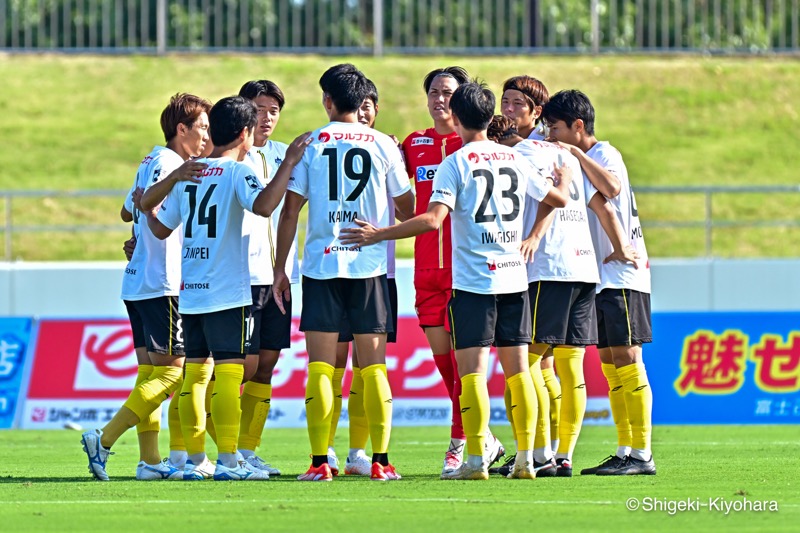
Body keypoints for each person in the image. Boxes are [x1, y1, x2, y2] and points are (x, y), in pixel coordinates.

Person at [342, 81, 572, 480]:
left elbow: (432, 220)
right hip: (514, 281)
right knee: (519, 373)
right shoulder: (514, 157)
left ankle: (475, 460)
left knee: (472, 376)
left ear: (460, 117)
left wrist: (378, 234)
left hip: (474, 284)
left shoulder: (458, 161)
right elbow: (558, 200)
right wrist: (562, 182)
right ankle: (525, 458)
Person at [143, 95, 311, 481]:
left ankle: (195, 460)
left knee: (196, 377)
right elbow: (266, 206)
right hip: (227, 292)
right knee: (230, 376)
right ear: (244, 133)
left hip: (192, 291)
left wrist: (147, 207)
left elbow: (159, 228)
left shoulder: (190, 173)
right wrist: (287, 163)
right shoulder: (238, 171)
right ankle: (231, 460)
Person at [271, 64, 414, 482]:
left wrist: (282, 268)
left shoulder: (311, 142)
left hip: (321, 266)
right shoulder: (384, 144)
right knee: (372, 368)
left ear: (328, 101)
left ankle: (319, 462)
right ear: (362, 101)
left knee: (321, 368)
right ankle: (381, 461)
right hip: (369, 266)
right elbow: (407, 209)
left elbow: (290, 211)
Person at [489, 111, 637, 478]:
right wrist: (621, 245)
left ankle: (539, 453)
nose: (511, 108)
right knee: (570, 368)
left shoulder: (519, 156)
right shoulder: (565, 153)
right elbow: (599, 204)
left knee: (526, 363)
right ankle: (562, 454)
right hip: (585, 269)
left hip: (546, 268)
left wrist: (535, 237)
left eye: (517, 102)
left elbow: (553, 198)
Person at [81, 93, 211, 481]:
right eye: (201, 128)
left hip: (138, 281)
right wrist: (165, 190)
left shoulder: (151, 160)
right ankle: (103, 439)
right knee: (174, 375)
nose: (206, 136)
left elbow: (127, 210)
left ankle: (150, 462)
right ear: (181, 129)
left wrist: (140, 223)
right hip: (163, 280)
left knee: (149, 375)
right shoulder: (172, 164)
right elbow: (144, 204)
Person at [543, 89, 655, 476]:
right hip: (602, 275)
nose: (550, 134)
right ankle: (626, 449)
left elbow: (611, 189)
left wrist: (575, 154)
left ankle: (641, 453)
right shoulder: (579, 157)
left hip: (622, 272)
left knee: (627, 359)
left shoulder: (604, 153)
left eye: (555, 128)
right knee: (610, 362)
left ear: (578, 127)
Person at [400, 66, 504, 475]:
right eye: (434, 92)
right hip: (426, 267)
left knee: (466, 365)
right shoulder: (414, 144)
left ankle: (462, 440)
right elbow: (394, 191)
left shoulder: (479, 147)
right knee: (445, 362)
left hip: (468, 269)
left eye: (448, 93)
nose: (440, 99)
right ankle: (484, 438)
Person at [235, 79, 300, 477]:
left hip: (279, 278)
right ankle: (212, 444)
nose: (267, 118)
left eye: (274, 111)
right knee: (239, 365)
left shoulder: (285, 155)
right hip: (238, 277)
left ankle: (247, 450)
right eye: (259, 109)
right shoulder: (228, 157)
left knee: (267, 364)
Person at [501, 75, 550, 141]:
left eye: (517, 103)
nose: (508, 108)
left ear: (537, 112)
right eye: (505, 102)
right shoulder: (492, 138)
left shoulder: (546, 144)